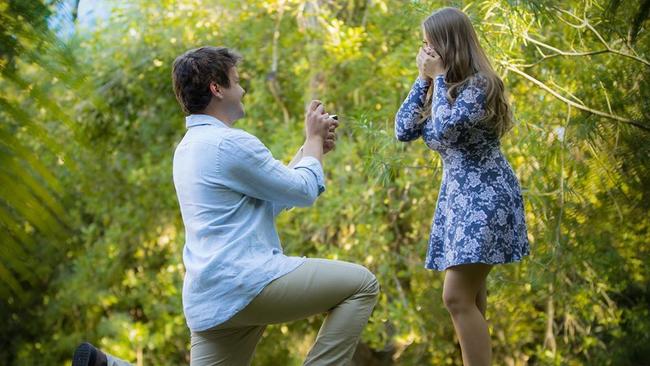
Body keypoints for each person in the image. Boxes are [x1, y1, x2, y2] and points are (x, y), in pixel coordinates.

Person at [73, 46, 379, 366]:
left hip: (209, 299)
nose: (243, 89)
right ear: (216, 88)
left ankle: (107, 364)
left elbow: (270, 198)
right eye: (236, 81)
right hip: (246, 282)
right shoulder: (229, 143)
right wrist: (314, 142)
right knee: (361, 285)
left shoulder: (188, 149)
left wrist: (310, 149)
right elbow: (303, 191)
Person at [394, 8, 530, 366]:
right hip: (457, 199)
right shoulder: (440, 86)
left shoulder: (480, 85)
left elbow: (446, 130)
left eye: (430, 45)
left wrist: (437, 80)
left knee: (455, 297)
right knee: (471, 298)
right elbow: (403, 129)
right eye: (423, 46)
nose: (425, 53)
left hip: (486, 195)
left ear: (449, 44)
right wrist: (424, 81)